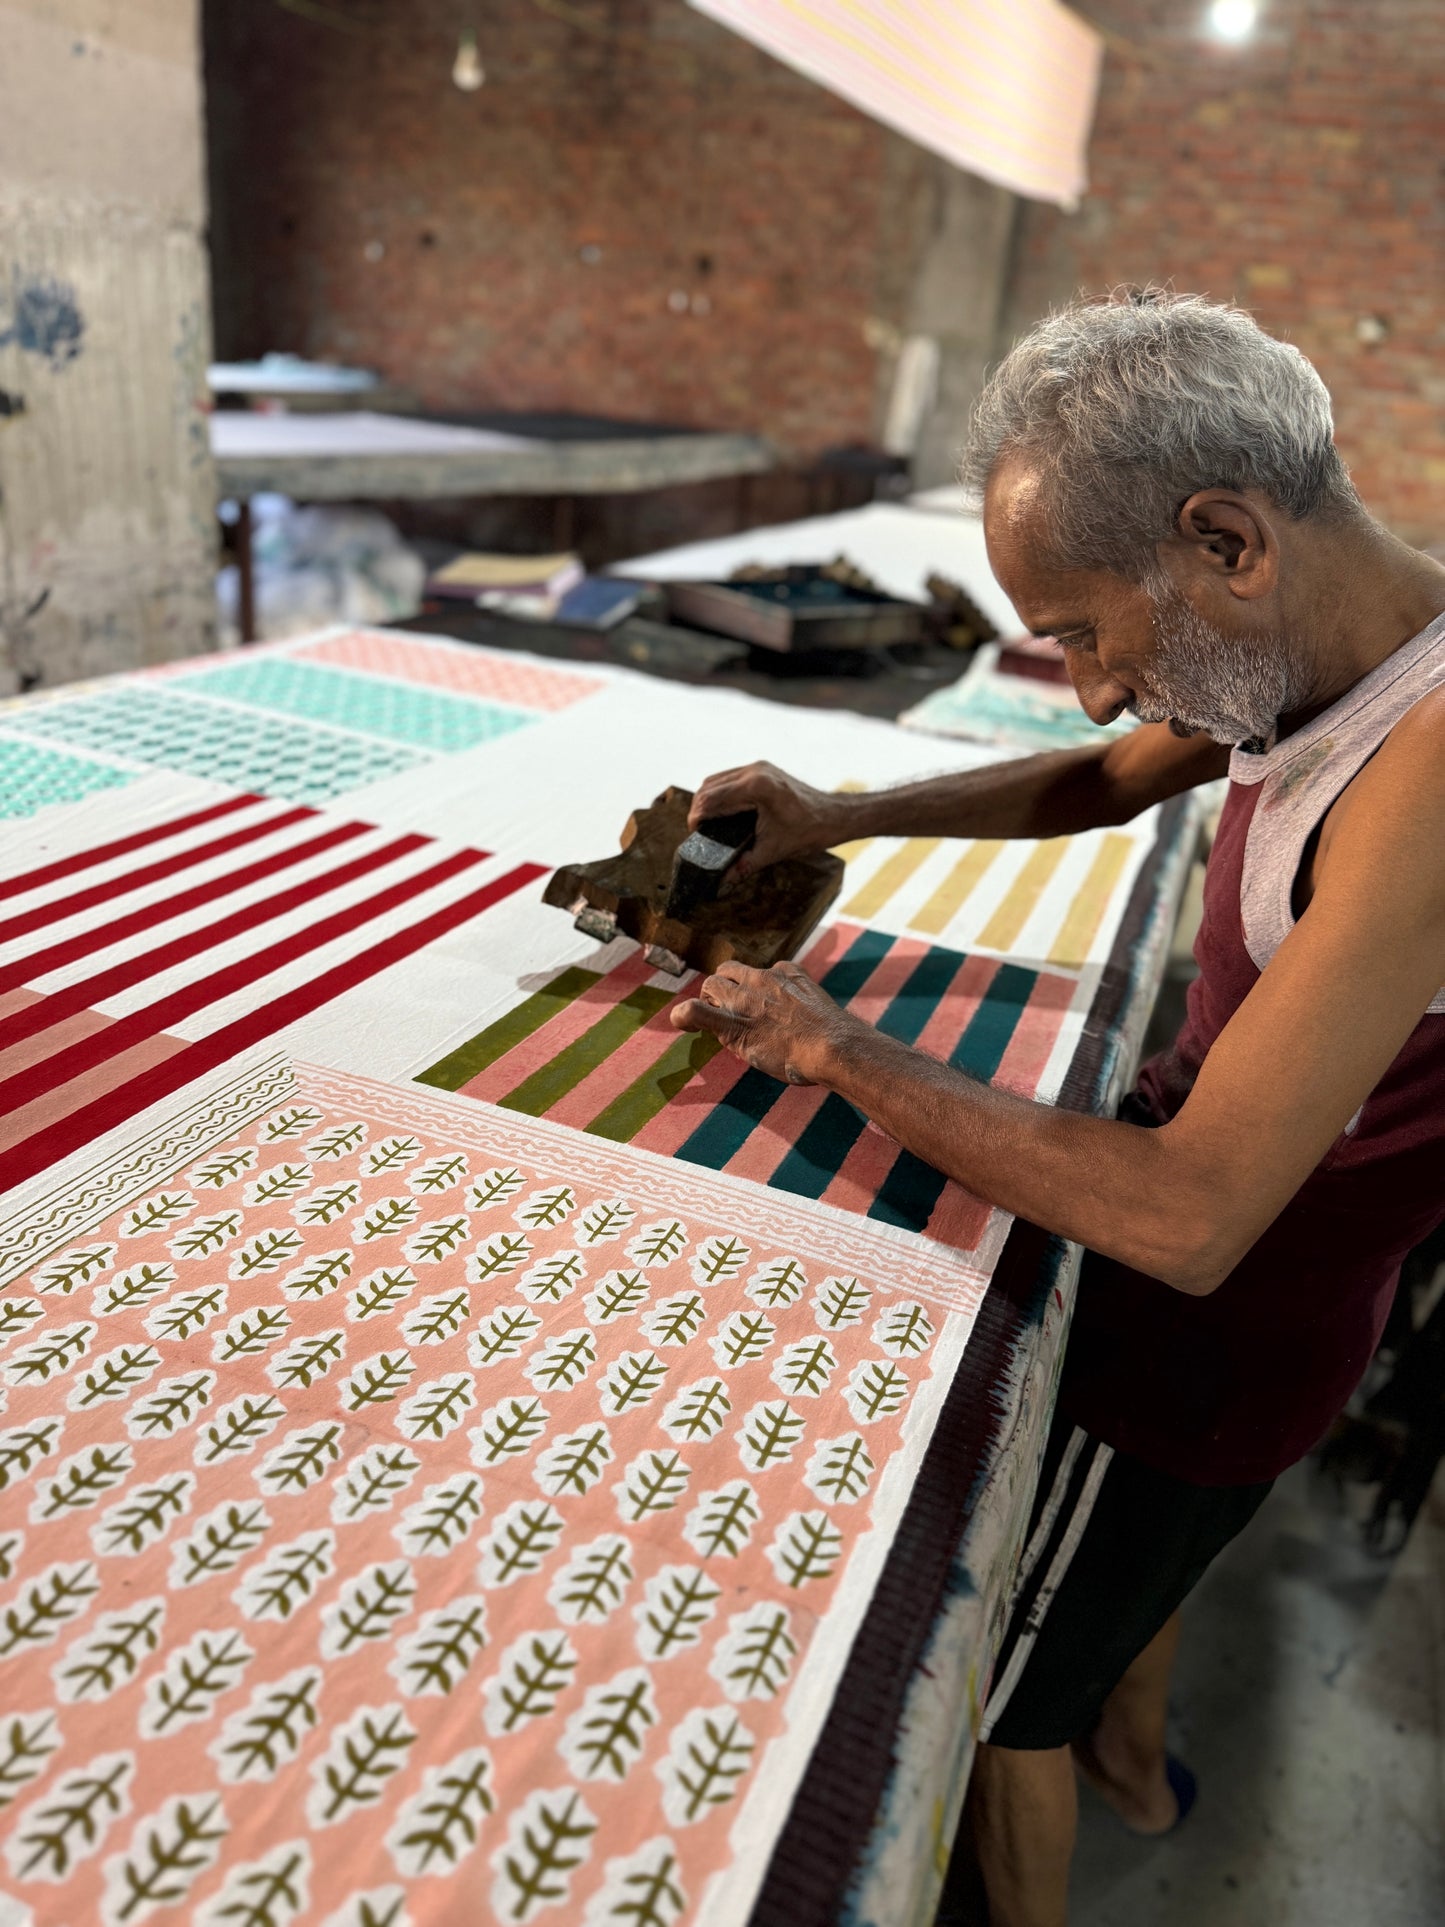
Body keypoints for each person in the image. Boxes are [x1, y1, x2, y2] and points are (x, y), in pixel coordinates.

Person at [670, 291, 1445, 1927]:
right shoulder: (1328, 647)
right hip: (1250, 1313)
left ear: (1225, 538)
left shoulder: (1428, 774)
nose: (1091, 693)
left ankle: (1076, 1787)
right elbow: (1099, 777)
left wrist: (831, 1049)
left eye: (1090, 633)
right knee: (1131, 1577)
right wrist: (841, 809)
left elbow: (1185, 1211)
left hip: (1218, 1335)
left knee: (1008, 1682)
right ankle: (1143, 1760)